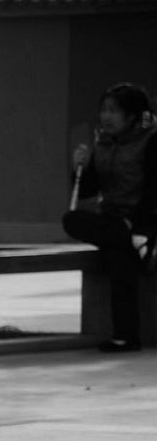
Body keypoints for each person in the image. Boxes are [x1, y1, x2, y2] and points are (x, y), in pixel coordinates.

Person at [63, 81, 157, 353]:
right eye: (103, 110)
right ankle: (138, 244)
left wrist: (132, 222)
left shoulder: (151, 140)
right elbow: (90, 189)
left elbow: (154, 192)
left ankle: (126, 336)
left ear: (132, 116)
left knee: (117, 256)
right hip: (116, 223)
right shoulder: (103, 141)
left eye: (113, 111)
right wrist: (78, 166)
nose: (105, 117)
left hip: (145, 218)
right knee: (72, 219)